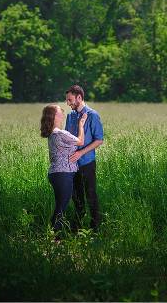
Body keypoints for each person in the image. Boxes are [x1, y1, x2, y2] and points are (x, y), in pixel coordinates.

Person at [40, 104, 86, 232]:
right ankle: (54, 237)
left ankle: (56, 234)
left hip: (58, 174)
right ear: (53, 117)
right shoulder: (60, 133)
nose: (62, 116)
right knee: (61, 206)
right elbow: (81, 141)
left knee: (61, 205)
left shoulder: (52, 134)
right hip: (63, 174)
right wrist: (81, 125)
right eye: (60, 114)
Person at [64, 85, 104, 231]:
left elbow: (99, 139)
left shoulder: (93, 115)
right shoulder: (70, 116)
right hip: (72, 165)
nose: (68, 104)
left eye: (70, 100)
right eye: (67, 100)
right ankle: (77, 229)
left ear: (79, 97)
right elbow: (68, 139)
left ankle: (95, 229)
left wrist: (81, 153)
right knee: (77, 198)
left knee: (91, 195)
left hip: (87, 163)